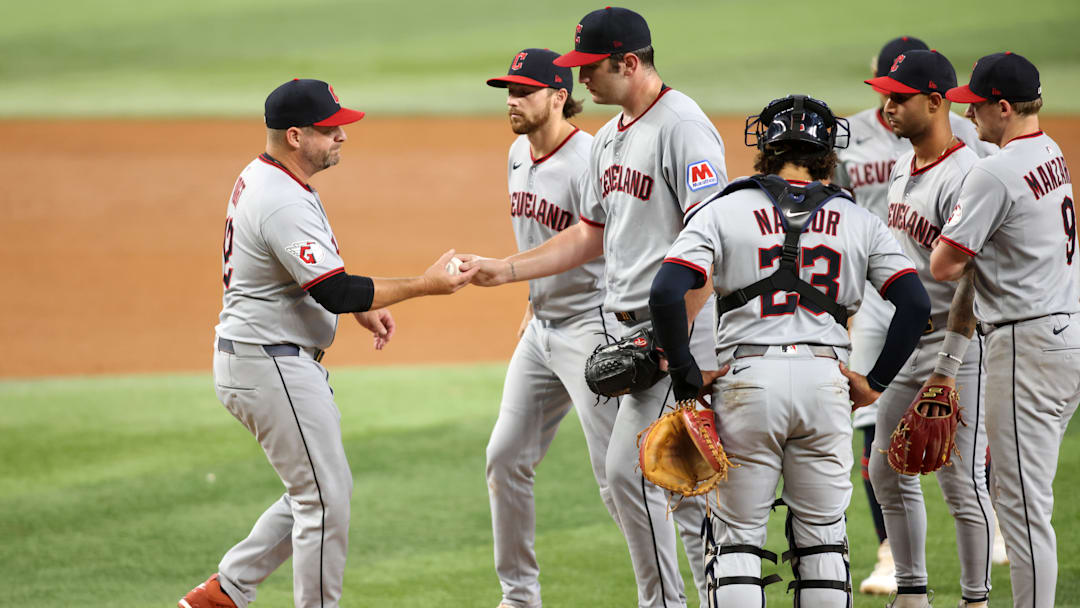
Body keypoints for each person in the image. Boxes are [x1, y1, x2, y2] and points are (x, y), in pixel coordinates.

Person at [461, 8, 728, 606]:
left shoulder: (683, 127)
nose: (581, 80)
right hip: (627, 331)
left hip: (669, 331)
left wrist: (673, 340)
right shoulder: (611, 137)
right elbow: (590, 234)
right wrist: (508, 272)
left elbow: (712, 241)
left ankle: (694, 598)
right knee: (657, 476)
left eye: (590, 68)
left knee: (659, 479)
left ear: (628, 63)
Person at [178, 78, 475, 608]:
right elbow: (334, 290)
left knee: (316, 491)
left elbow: (313, 280)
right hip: (269, 364)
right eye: (329, 129)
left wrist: (360, 304)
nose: (341, 136)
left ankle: (226, 591)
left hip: (263, 359)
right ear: (295, 136)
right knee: (323, 499)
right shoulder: (278, 199)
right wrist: (425, 284)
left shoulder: (265, 176)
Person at [648, 94, 929, 608]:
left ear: (767, 147)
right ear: (827, 152)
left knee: (736, 539)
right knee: (822, 538)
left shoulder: (724, 208)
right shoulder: (859, 220)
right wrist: (874, 382)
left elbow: (666, 292)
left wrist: (687, 375)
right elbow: (914, 303)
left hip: (746, 383)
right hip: (826, 383)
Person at [833, 36, 1001, 596]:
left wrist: (949, 367)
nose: (887, 107)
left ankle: (975, 597)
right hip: (906, 338)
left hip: (956, 344)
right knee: (886, 469)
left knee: (961, 481)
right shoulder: (907, 165)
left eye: (900, 97)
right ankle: (913, 589)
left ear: (936, 102)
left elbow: (975, 280)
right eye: (884, 95)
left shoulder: (969, 174)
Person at [931, 51, 1079, 608]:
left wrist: (972, 236)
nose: (969, 117)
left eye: (976, 108)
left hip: (1026, 347)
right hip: (1066, 336)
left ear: (1002, 107)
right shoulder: (1051, 151)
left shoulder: (995, 170)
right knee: (1025, 498)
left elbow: (944, 265)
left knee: (1019, 509)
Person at [481, 48, 622, 608]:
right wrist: (530, 305)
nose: (512, 101)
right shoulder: (518, 151)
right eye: (509, 91)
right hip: (542, 330)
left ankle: (675, 591)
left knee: (620, 480)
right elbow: (536, 237)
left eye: (524, 91)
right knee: (505, 457)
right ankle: (519, 597)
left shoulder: (591, 159)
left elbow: (601, 244)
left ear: (559, 95)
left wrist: (509, 274)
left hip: (593, 329)